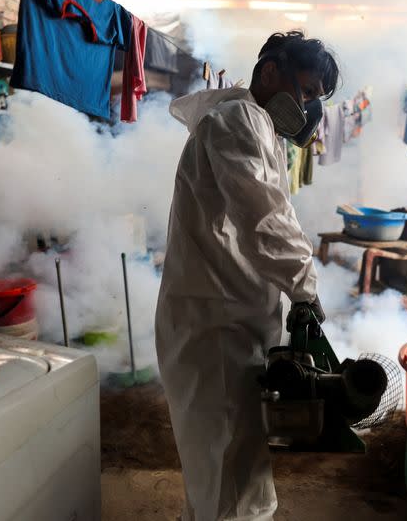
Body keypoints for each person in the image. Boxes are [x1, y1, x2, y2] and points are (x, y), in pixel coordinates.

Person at [155, 31, 339, 521]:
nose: (306, 109)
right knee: (228, 461)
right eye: (305, 92)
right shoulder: (238, 119)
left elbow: (268, 216)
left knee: (226, 461)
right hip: (215, 321)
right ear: (271, 71)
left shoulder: (256, 126)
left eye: (315, 101)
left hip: (227, 311)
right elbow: (266, 220)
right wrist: (304, 286)